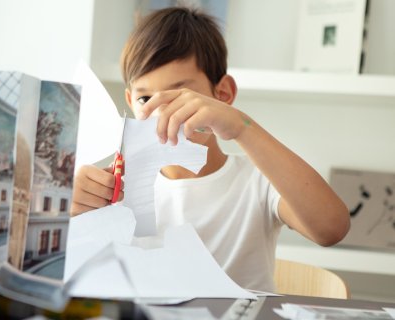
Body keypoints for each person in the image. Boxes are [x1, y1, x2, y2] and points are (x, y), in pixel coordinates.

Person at [70, 7, 350, 292]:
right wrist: (65, 210)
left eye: (180, 96)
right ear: (130, 101)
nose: (162, 114)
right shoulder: (114, 189)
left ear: (223, 94)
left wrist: (242, 127)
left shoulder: (257, 181)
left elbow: (331, 228)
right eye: (145, 99)